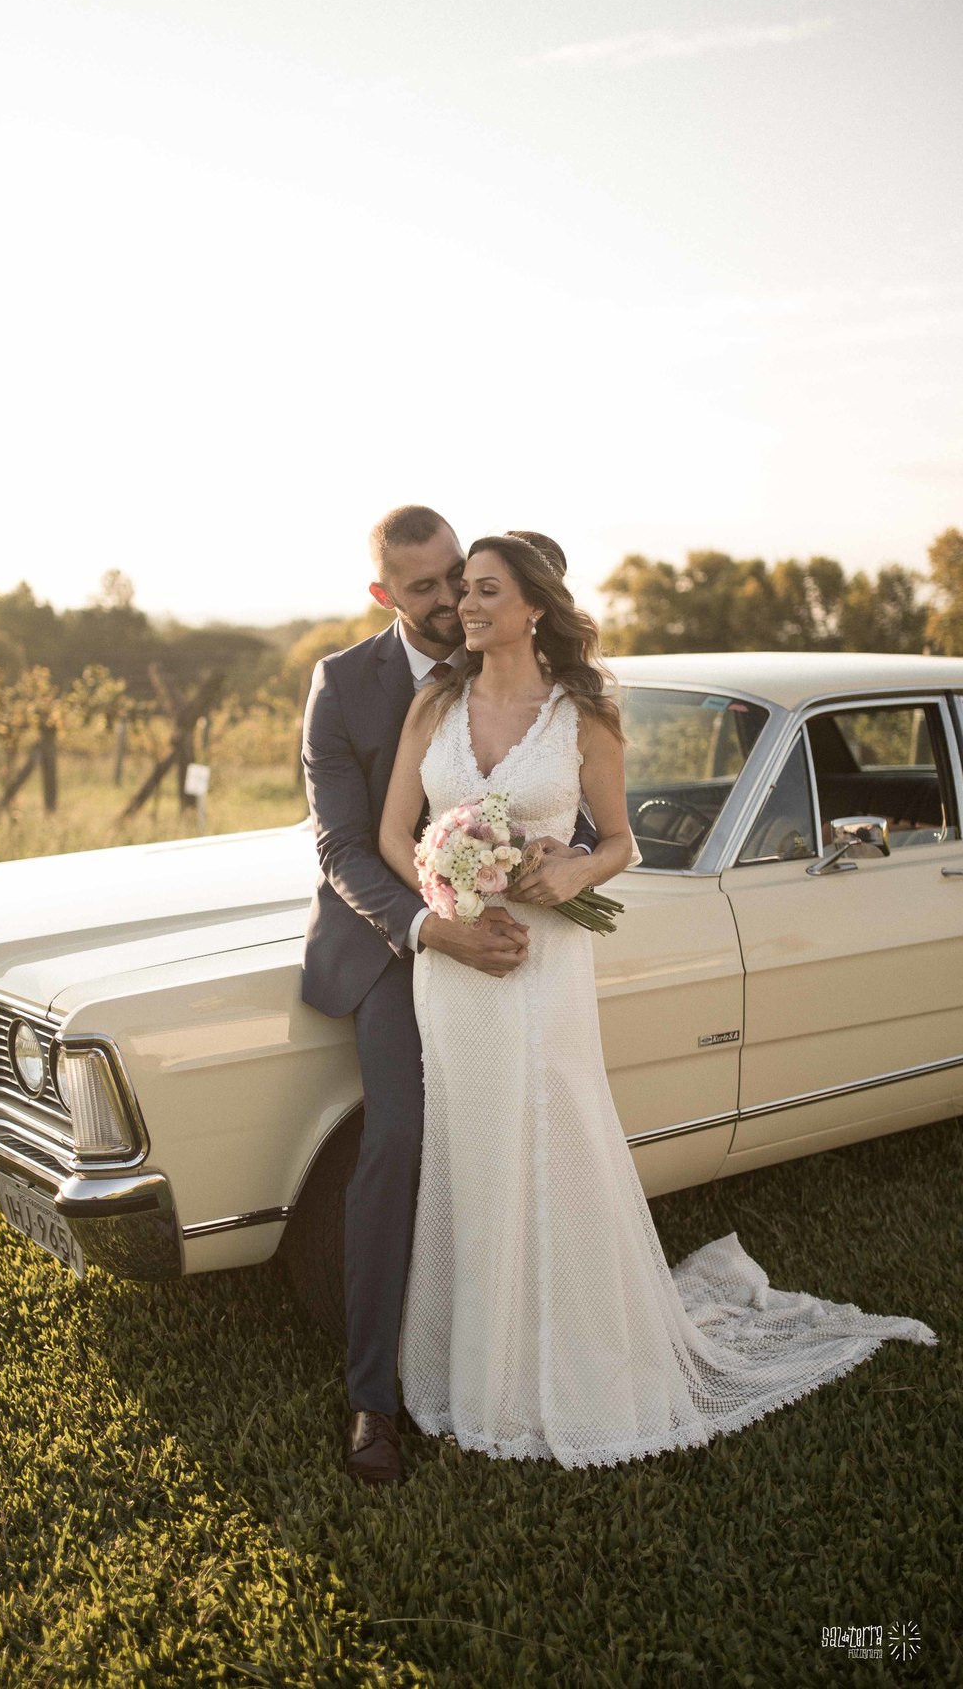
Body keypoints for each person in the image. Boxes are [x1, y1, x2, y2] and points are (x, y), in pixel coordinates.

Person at [378, 532, 938, 1467]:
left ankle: (574, 1370)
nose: (464, 608)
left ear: (532, 607)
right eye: (463, 592)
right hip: (455, 966)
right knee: (471, 1150)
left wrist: (571, 875)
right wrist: (444, 902)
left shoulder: (584, 711)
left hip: (544, 959)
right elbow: (397, 833)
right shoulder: (435, 700)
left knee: (552, 1143)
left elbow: (621, 842)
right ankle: (477, 1372)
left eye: (484, 592)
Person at [300, 507, 598, 1484]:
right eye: (423, 589)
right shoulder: (345, 686)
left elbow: (582, 809)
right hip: (398, 943)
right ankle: (373, 1401)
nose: (446, 603)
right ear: (386, 594)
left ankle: (519, 1342)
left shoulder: (510, 663)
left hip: (516, 937)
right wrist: (438, 926)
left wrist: (568, 865)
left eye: (456, 580)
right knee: (397, 1137)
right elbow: (347, 847)